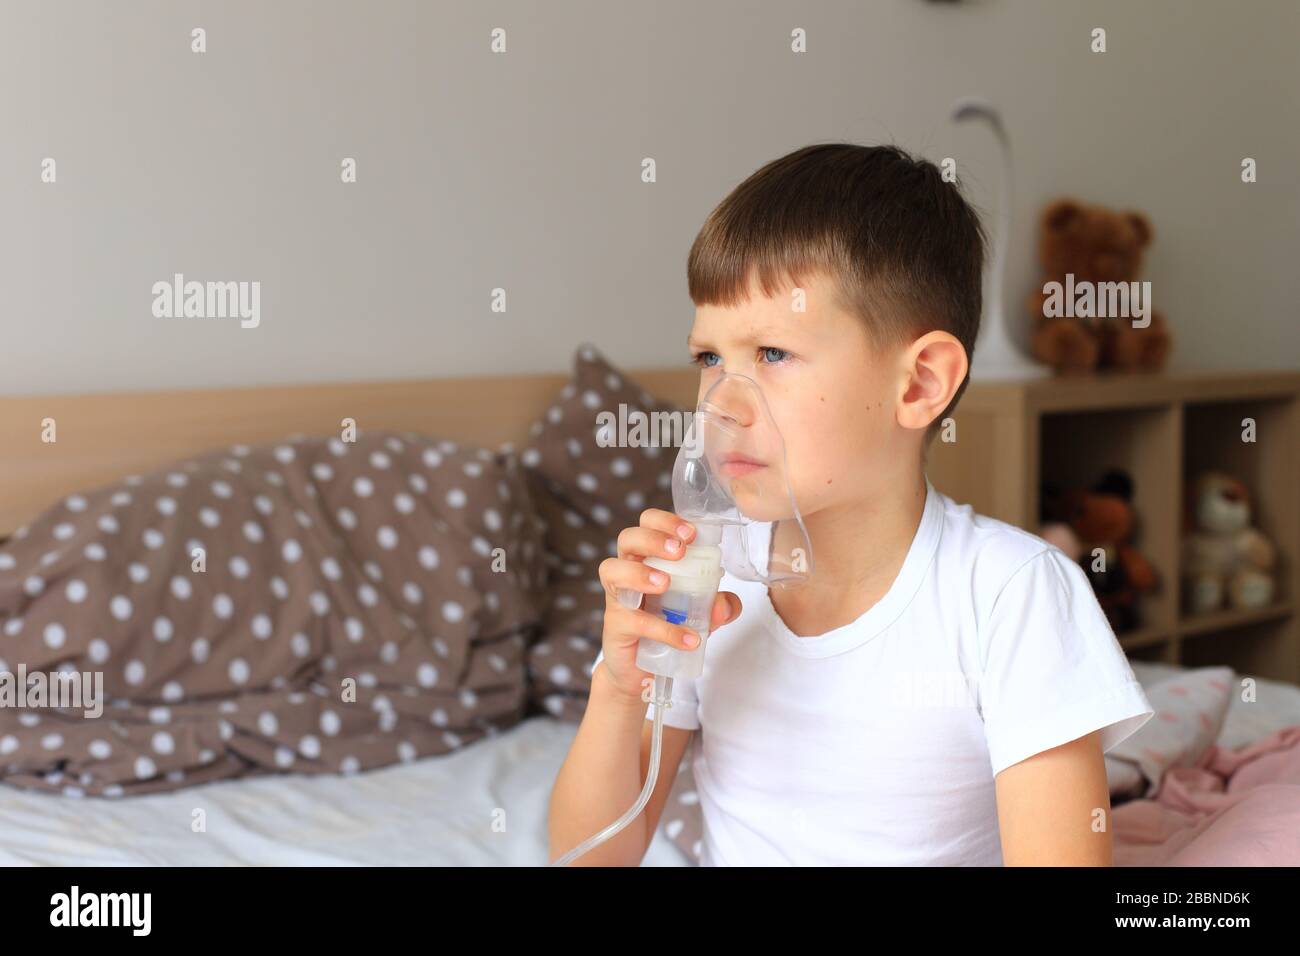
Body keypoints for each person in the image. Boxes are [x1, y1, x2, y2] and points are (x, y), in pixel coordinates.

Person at [548, 143, 1154, 866]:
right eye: (709, 359)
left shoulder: (1008, 595)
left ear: (920, 384)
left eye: (772, 354)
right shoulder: (710, 582)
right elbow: (587, 857)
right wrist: (622, 688)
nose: (722, 406)